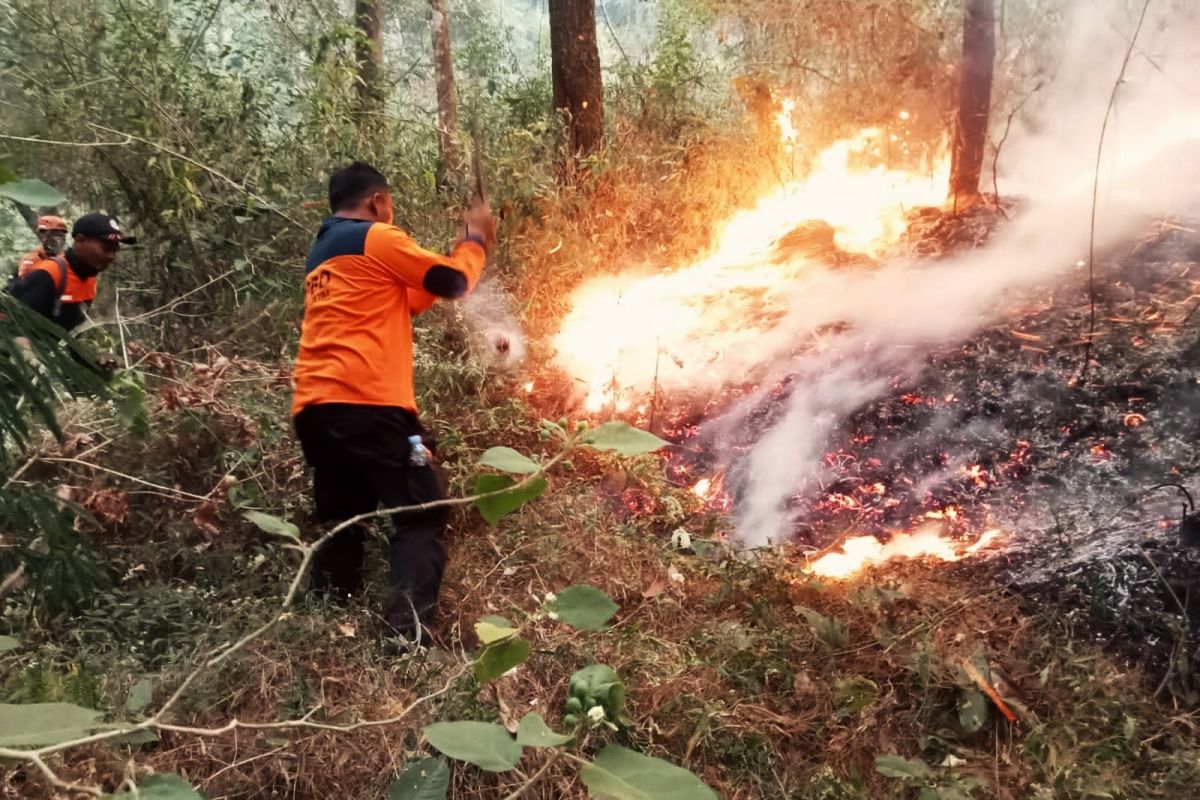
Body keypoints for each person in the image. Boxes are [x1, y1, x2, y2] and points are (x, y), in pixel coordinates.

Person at [291, 161, 496, 643]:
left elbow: (413, 297)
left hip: (316, 409)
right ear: (377, 201)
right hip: (368, 404)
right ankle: (407, 635)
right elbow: (452, 282)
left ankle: (325, 618)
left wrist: (460, 249)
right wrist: (475, 242)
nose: (391, 212)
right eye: (390, 204)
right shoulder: (375, 237)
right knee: (423, 509)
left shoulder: (324, 253)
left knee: (345, 515)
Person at [8, 213, 136, 332]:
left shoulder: (90, 278)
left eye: (115, 251)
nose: (111, 256)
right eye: (106, 248)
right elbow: (14, 327)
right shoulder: (48, 274)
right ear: (80, 240)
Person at [15, 215, 69, 280]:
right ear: (42, 236)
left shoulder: (67, 260)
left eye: (62, 237)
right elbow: (24, 286)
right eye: (55, 235)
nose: (58, 241)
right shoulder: (31, 261)